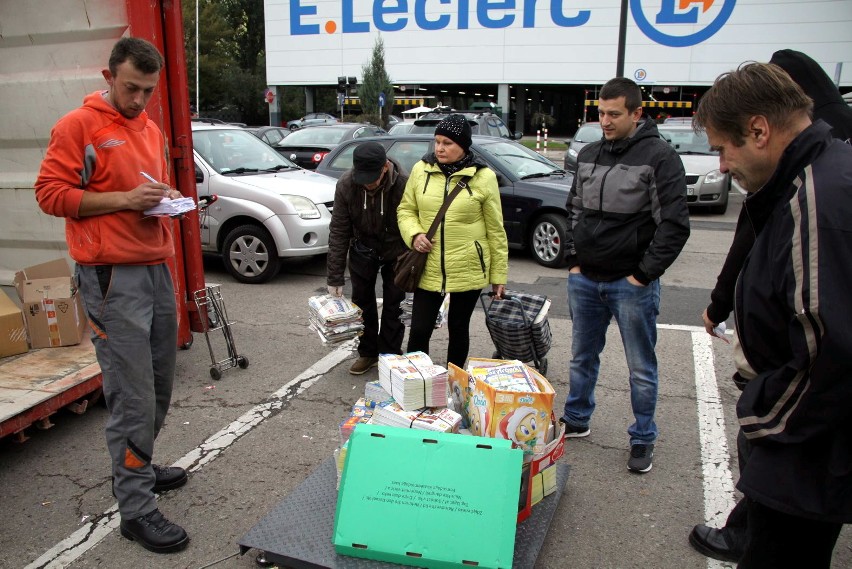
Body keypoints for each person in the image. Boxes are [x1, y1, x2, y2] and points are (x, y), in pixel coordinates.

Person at [689, 49, 852, 563]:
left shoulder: (815, 200)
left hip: (807, 443)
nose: (721, 165)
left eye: (722, 149)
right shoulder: (819, 174)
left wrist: (763, 420)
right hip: (813, 437)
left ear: (758, 130)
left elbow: (829, 346)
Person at [34, 37, 189, 554]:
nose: (139, 100)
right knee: (132, 396)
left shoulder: (148, 127)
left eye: (148, 90)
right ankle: (136, 508)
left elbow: (145, 188)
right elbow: (50, 195)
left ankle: (139, 466)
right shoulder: (78, 126)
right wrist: (125, 199)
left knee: (160, 386)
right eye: (131, 88)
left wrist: (164, 198)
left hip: (153, 268)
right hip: (109, 278)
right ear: (108, 75)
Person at [561, 77, 690, 474]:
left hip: (630, 284)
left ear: (637, 113)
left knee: (640, 367)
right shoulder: (589, 153)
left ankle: (642, 437)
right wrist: (573, 260)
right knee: (582, 357)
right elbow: (574, 210)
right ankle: (577, 419)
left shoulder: (659, 156)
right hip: (586, 279)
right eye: (600, 113)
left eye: (614, 114)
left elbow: (674, 225)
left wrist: (642, 275)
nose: (605, 121)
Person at [397, 113, 508, 368]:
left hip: (468, 264)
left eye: (447, 143)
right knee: (420, 330)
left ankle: (454, 384)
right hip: (428, 264)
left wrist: (498, 275)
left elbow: (496, 230)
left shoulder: (484, 177)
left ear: (463, 145)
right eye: (437, 141)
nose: (439, 148)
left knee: (459, 328)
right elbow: (405, 210)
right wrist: (415, 234)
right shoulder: (420, 170)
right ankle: (417, 383)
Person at [326, 141, 408, 374]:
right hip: (363, 247)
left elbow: (414, 222)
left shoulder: (403, 183)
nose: (368, 183)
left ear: (385, 167)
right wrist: (334, 277)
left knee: (395, 304)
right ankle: (368, 353)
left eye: (372, 176)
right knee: (361, 303)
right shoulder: (346, 184)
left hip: (396, 249)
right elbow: (339, 230)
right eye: (363, 177)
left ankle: (390, 355)